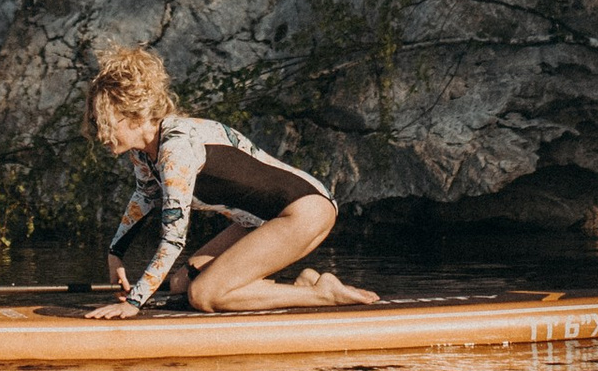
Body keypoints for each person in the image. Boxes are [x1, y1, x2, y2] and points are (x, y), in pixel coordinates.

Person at [85, 44, 378, 313]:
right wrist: (115, 254)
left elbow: (173, 238)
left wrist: (134, 302)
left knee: (204, 294)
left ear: (134, 115)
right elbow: (145, 197)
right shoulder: (144, 152)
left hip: (304, 212)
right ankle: (302, 287)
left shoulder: (176, 149)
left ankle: (323, 293)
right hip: (259, 220)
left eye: (106, 123)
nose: (99, 134)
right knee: (181, 285)